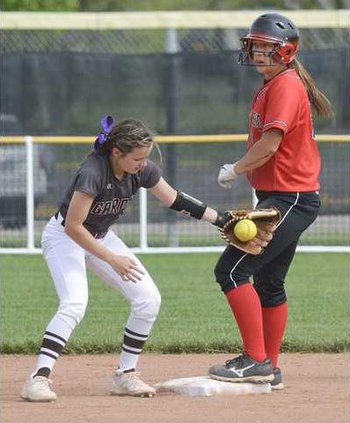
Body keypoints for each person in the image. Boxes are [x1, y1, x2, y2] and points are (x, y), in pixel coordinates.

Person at [21, 116, 267, 402]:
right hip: (64, 238)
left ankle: (126, 375)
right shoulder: (92, 172)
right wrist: (113, 259)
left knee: (148, 299)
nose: (143, 164)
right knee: (75, 303)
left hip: (99, 236)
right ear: (116, 152)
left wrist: (221, 219)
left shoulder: (141, 170)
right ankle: (38, 379)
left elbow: (174, 199)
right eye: (137, 158)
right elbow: (73, 227)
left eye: (145, 158)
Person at [208, 13, 333, 389]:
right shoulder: (277, 83)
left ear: (287, 51)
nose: (258, 51)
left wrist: (234, 169)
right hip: (286, 196)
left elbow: (269, 145)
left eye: (267, 46)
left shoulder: (285, 86)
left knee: (230, 271)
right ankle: (270, 368)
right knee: (269, 282)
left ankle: (255, 360)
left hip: (290, 197)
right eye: (255, 45)